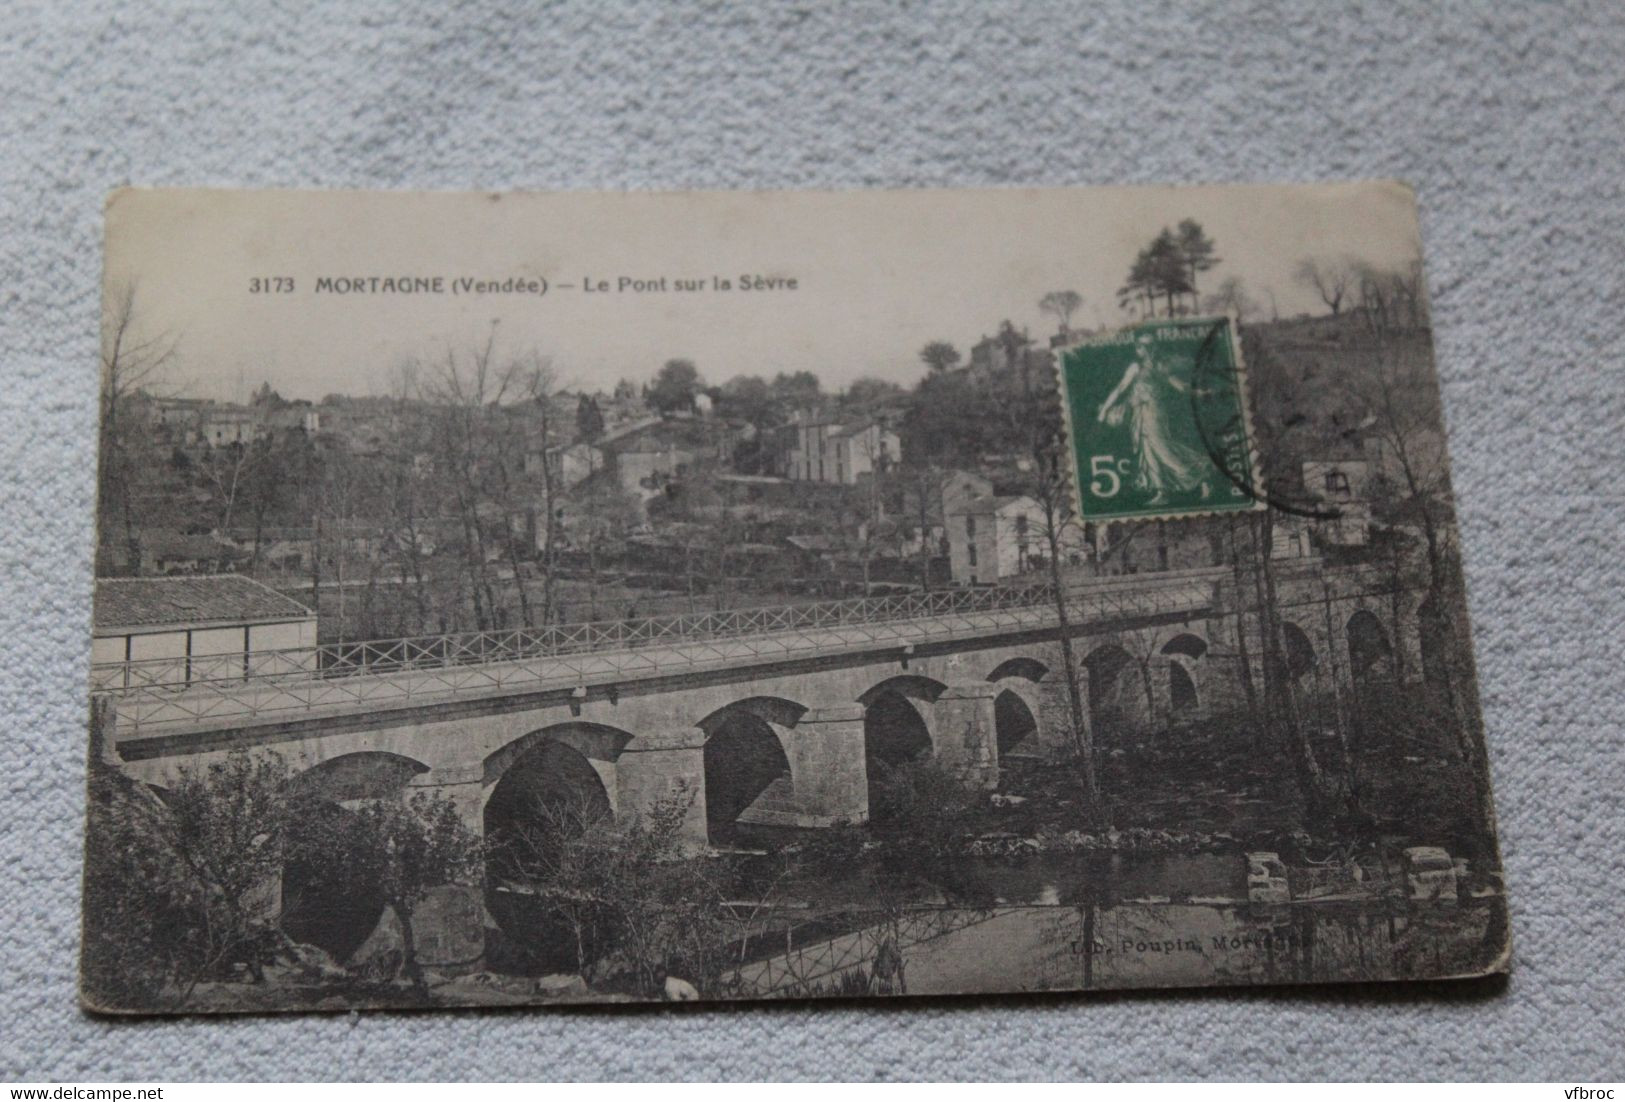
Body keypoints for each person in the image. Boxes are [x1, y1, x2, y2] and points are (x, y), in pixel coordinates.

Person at [1096, 336, 1211, 506]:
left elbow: (1180, 386)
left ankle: (1202, 476)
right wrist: (1105, 408)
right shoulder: (1136, 367)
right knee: (1147, 450)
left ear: (1148, 348)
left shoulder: (1160, 366)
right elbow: (1120, 388)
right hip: (1139, 412)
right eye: (1139, 347)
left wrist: (1200, 392)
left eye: (1141, 347)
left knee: (1163, 447)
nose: (1139, 351)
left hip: (1155, 412)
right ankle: (1161, 492)